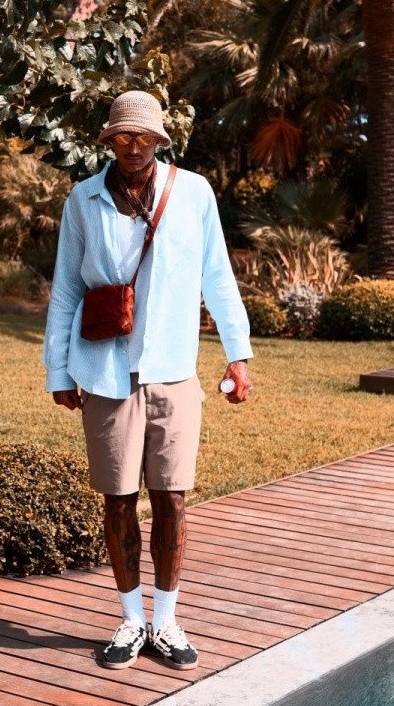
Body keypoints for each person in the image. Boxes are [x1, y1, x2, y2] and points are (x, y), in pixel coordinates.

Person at [42, 89, 253, 671]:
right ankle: (131, 619)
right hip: (104, 370)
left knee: (172, 499)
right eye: (123, 137)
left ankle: (166, 621)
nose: (133, 147)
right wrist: (58, 369)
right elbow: (66, 289)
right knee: (118, 501)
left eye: (143, 138)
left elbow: (218, 276)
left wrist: (238, 354)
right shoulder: (83, 200)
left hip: (173, 369)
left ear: (160, 140)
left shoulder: (194, 194)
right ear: (110, 141)